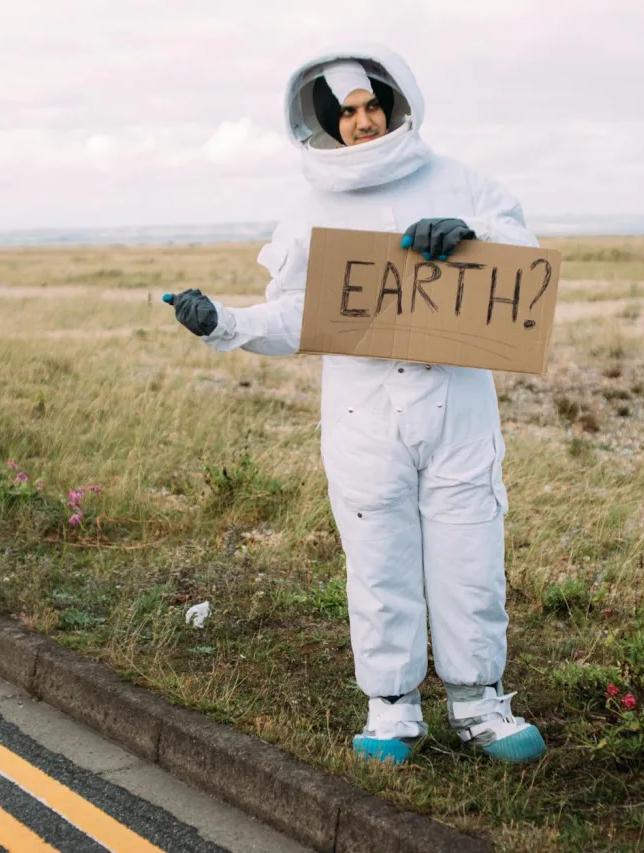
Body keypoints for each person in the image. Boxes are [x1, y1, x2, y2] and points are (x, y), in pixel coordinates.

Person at [165, 44, 545, 765]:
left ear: (397, 102)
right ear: (326, 122)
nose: (365, 123)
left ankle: (480, 701)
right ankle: (392, 705)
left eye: (373, 105)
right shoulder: (309, 209)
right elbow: (294, 316)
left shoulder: (462, 182)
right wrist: (224, 322)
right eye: (348, 112)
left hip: (456, 401)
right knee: (378, 556)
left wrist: (474, 239)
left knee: (470, 551)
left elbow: (523, 259)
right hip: (361, 411)